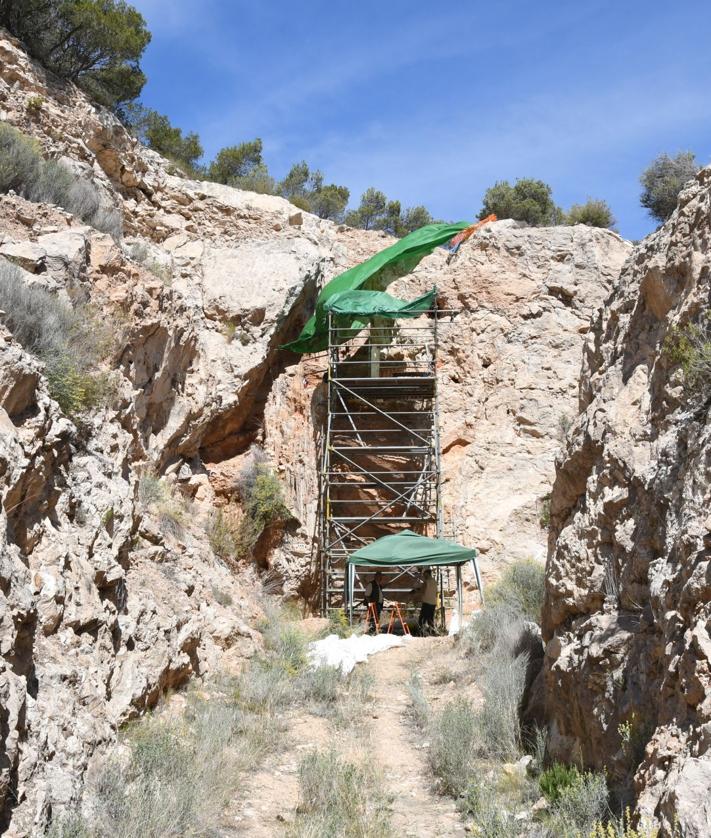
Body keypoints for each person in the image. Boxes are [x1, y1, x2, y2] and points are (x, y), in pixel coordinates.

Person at [418, 568, 437, 635]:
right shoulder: (434, 581)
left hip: (426, 602)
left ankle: (422, 633)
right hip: (433, 602)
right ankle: (432, 632)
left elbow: (422, 591)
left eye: (424, 574)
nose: (423, 576)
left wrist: (416, 590)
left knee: (422, 619)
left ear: (427, 574)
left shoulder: (426, 582)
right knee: (430, 619)